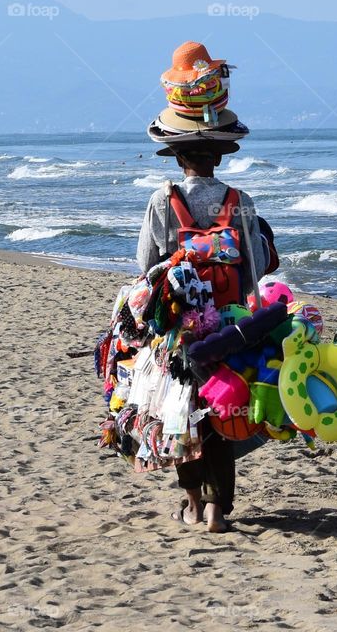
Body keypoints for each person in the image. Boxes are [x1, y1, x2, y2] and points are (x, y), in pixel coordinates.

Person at [136, 140, 270, 532]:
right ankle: (217, 510)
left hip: (178, 327)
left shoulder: (162, 201)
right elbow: (256, 267)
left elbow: (146, 264)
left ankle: (193, 505)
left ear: (179, 160)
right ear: (220, 159)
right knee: (221, 409)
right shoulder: (239, 199)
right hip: (229, 325)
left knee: (184, 412)